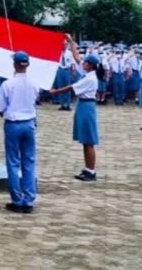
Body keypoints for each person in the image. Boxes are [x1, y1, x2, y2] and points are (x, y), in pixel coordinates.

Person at [0, 51, 40, 211]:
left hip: (13, 123)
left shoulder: (7, 84)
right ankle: (28, 198)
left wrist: (7, 113)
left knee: (13, 162)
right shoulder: (34, 84)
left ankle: (17, 199)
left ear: (14, 65)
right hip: (29, 123)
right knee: (29, 161)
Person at [50, 35, 101, 181]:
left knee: (89, 140)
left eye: (86, 62)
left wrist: (55, 91)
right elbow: (77, 57)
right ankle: (87, 168)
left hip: (87, 106)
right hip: (83, 105)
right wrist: (71, 42)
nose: (82, 63)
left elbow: (71, 87)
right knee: (85, 139)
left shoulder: (90, 78)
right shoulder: (88, 73)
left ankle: (91, 171)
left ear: (90, 65)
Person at [54, 39, 75, 111]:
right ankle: (62, 104)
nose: (64, 45)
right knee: (60, 87)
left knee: (68, 87)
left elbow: (72, 63)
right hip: (60, 69)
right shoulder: (58, 52)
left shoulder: (69, 53)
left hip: (67, 69)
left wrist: (73, 72)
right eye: (63, 44)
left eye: (65, 44)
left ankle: (68, 104)